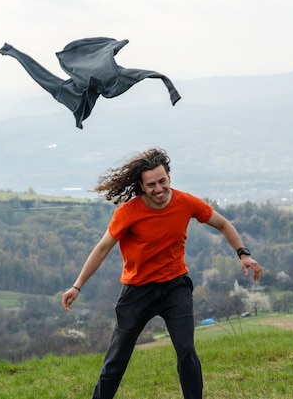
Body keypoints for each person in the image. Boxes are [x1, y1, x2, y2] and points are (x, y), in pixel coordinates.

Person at [61, 148, 264, 399]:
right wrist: (77, 285)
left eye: (162, 181)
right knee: (117, 358)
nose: (158, 189)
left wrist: (243, 253)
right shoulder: (128, 213)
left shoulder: (186, 202)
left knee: (187, 352)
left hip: (174, 286)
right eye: (151, 184)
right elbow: (102, 248)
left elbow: (221, 223)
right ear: (141, 186)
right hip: (138, 291)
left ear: (169, 177)